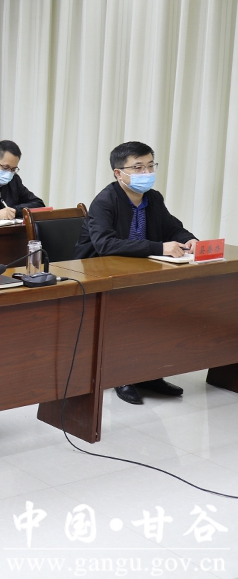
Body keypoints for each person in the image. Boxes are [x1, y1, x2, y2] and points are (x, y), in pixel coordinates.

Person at [74, 141, 195, 406]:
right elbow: (105, 245)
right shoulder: (105, 201)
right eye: (138, 168)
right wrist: (159, 247)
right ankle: (121, 376)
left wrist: (190, 240)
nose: (147, 173)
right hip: (99, 273)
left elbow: (172, 228)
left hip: (139, 269)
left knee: (163, 306)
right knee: (127, 310)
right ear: (119, 173)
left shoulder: (153, 198)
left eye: (150, 166)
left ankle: (149, 374)